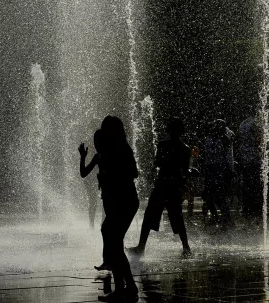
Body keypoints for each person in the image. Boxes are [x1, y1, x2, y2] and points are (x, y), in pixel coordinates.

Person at [81, 116, 140, 302]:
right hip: (116, 203)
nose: (103, 131)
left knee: (114, 243)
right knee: (110, 237)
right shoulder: (108, 151)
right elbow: (85, 173)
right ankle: (125, 287)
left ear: (113, 130)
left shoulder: (122, 148)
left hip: (126, 201)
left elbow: (134, 173)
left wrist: (110, 174)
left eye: (106, 128)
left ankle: (126, 287)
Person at [130, 118, 192, 256]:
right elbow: (183, 171)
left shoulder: (169, 146)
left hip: (165, 185)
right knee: (173, 216)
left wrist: (168, 162)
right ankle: (186, 248)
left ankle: (141, 247)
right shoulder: (183, 148)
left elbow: (159, 163)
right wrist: (184, 186)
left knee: (163, 216)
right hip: (169, 185)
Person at [202, 119, 235, 226]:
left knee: (219, 196)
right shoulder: (210, 137)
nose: (215, 128)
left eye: (218, 126)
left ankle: (227, 217)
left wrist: (230, 170)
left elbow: (229, 155)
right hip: (210, 169)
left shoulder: (225, 138)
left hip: (221, 170)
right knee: (207, 195)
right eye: (215, 125)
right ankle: (215, 216)